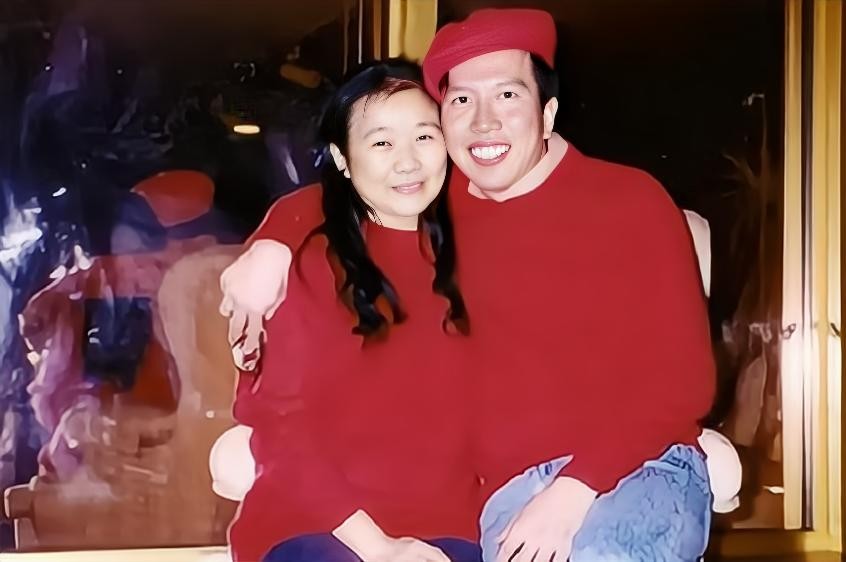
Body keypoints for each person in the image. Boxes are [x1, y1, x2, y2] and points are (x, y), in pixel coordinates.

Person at [222, 9, 716, 562]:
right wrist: (272, 243)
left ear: (548, 112)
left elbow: (683, 383)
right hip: (507, 493)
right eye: (461, 101)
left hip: (637, 470)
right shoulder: (440, 205)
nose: (484, 122)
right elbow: (360, 187)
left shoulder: (631, 201)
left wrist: (574, 491)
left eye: (507, 95)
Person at [227, 60, 482, 562]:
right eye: (382, 143)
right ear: (343, 159)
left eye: (424, 137)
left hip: (452, 525)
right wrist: (379, 548)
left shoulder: (476, 253)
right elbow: (281, 432)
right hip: (316, 524)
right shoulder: (311, 264)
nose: (408, 162)